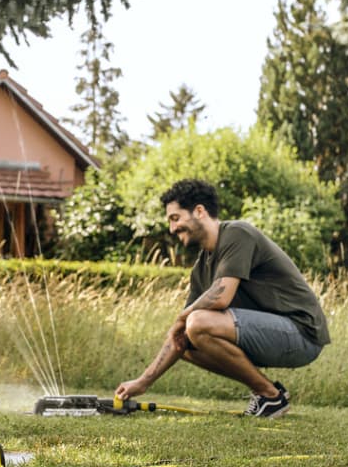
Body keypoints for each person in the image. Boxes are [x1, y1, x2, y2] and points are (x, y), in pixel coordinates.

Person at [115, 178, 329, 418]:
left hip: (302, 334)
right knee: (184, 342)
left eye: (175, 218)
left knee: (196, 323)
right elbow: (181, 334)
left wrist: (181, 318)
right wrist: (142, 382)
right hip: (271, 336)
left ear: (199, 211)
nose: (172, 229)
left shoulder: (237, 233)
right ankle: (269, 395)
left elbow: (221, 297)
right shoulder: (201, 268)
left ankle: (269, 396)